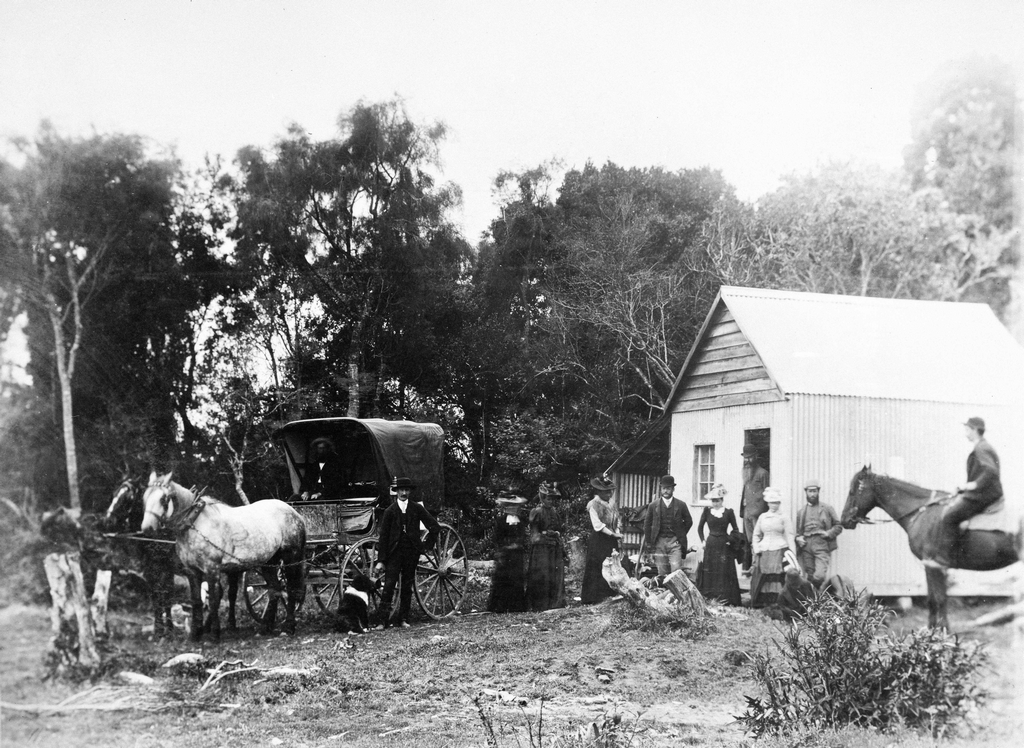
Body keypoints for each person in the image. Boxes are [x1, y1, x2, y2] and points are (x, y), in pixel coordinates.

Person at [931, 416, 1003, 566]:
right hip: (982, 493)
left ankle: (946, 559)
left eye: (967, 430)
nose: (965, 433)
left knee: (949, 517)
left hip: (984, 495)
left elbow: (991, 472)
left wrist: (972, 485)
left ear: (975, 430)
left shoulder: (981, 448)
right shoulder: (983, 447)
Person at [373, 477, 440, 629]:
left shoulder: (416, 508)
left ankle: (403, 619)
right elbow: (383, 538)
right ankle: (382, 621)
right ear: (396, 492)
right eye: (401, 490)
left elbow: (434, 526)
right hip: (394, 553)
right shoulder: (390, 511)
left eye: (406, 490)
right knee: (389, 585)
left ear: (410, 491)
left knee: (407, 585)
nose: (404, 493)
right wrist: (381, 560)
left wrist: (425, 546)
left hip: (411, 552)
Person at [749, 487, 796, 608]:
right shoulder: (762, 517)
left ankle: (777, 602)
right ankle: (764, 602)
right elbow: (756, 535)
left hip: (779, 549)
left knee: (777, 575)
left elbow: (790, 535)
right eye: (772, 502)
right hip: (764, 551)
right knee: (763, 576)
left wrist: (792, 553)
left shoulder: (784, 517)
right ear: (767, 503)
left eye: (776, 502)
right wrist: (756, 548)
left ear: (779, 503)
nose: (774, 505)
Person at [696, 484, 741, 606]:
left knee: (722, 571)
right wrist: (703, 541)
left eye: (717, 501)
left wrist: (729, 539)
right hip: (710, 544)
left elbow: (736, 530)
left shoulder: (728, 512)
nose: (715, 503)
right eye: (713, 501)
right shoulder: (707, 511)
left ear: (722, 500)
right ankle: (711, 597)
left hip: (723, 545)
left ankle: (724, 598)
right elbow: (700, 528)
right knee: (711, 570)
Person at [580, 475, 622, 604]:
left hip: (611, 539)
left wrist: (617, 532)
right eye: (606, 491)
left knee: (611, 564)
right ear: (599, 492)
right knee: (597, 565)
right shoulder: (593, 504)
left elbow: (617, 521)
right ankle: (593, 597)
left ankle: (609, 593)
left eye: (610, 491)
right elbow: (597, 525)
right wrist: (612, 534)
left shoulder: (612, 504)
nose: (609, 494)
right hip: (599, 539)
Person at [795, 479, 843, 587]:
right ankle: (815, 600)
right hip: (806, 545)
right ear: (806, 492)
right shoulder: (801, 511)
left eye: (814, 491)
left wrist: (828, 533)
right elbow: (799, 532)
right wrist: (798, 538)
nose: (812, 494)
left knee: (820, 575)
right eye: (810, 491)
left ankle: (816, 595)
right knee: (810, 575)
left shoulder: (827, 508)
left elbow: (838, 526)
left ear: (818, 492)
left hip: (821, 544)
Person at [642, 475, 693, 577]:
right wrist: (649, 543)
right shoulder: (653, 505)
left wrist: (680, 534)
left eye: (668, 488)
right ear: (661, 488)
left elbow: (689, 521)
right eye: (664, 488)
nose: (666, 491)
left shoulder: (681, 505)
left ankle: (674, 593)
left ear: (673, 489)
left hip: (675, 543)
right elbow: (647, 525)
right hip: (659, 543)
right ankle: (664, 592)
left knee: (676, 573)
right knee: (662, 573)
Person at [526, 481, 566, 611]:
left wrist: (556, 534)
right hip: (541, 550)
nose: (551, 502)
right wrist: (545, 534)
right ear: (543, 498)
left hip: (554, 549)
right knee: (542, 575)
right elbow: (534, 535)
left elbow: (559, 530)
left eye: (553, 499)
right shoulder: (536, 512)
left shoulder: (555, 513)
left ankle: (554, 603)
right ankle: (539, 604)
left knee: (555, 575)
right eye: (549, 499)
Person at [487, 491, 528, 613]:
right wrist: (504, 548)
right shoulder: (500, 520)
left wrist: (518, 543)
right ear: (505, 507)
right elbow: (497, 537)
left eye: (515, 506)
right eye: (510, 506)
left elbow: (522, 535)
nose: (514, 508)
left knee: (517, 578)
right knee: (503, 579)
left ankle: (516, 606)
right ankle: (501, 606)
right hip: (505, 554)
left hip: (517, 553)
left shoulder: (520, 520)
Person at [739, 445, 770, 575]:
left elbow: (767, 494)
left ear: (755, 457)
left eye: (750, 458)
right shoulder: (745, 473)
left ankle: (759, 567)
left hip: (758, 515)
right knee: (750, 541)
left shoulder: (763, 473)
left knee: (759, 540)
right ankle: (753, 567)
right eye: (745, 458)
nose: (747, 460)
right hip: (747, 514)